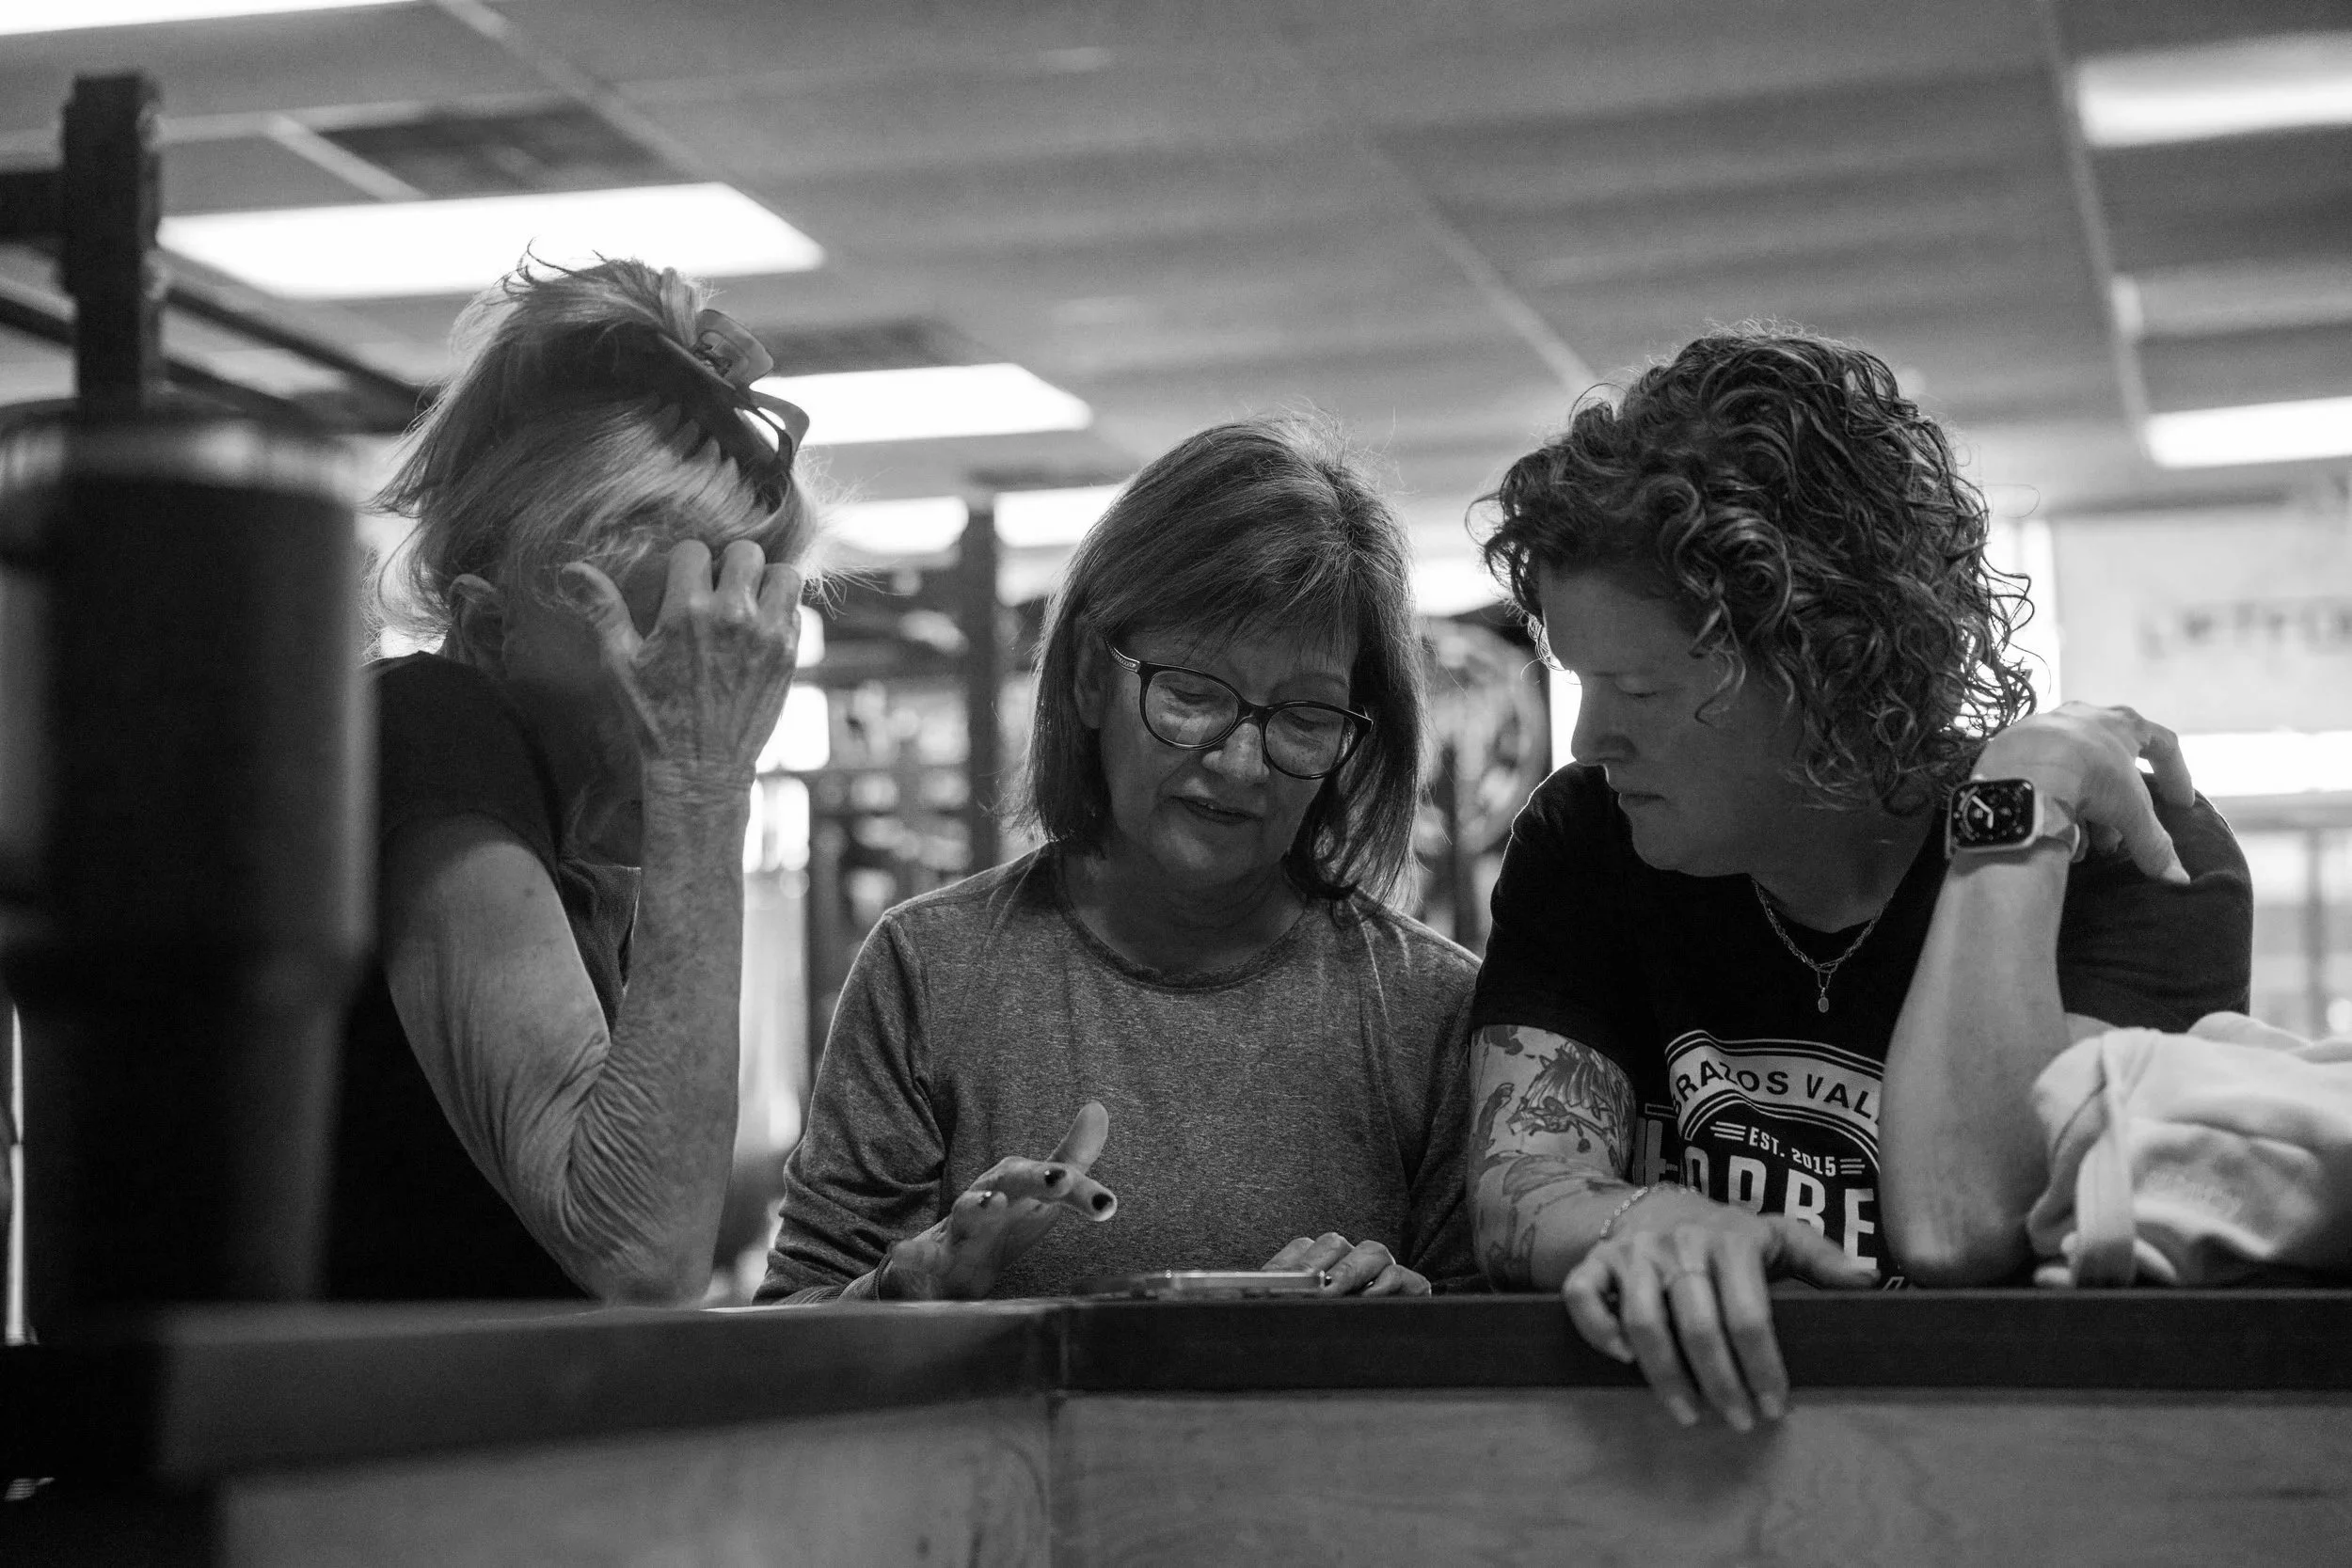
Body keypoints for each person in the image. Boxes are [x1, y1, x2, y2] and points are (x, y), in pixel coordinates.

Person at [1468, 328, 2251, 1429]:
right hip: (1695, 1477)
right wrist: (1638, 1219)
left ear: (1824, 664)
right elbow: (1512, 1191)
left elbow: (1963, 1224)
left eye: (1636, 692)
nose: (1591, 738)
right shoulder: (1589, 841)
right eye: (1577, 682)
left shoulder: (2142, 863)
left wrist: (2008, 811)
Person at [762, 418, 1475, 1302]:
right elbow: (789, 1336)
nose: (1240, 763)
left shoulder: (1429, 1010)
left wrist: (1413, 1326)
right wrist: (903, 1290)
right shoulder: (931, 971)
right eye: (1190, 694)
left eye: (1304, 718)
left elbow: (1502, 1364)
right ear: (1092, 680)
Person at [329, 258, 816, 1303]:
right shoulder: (431, 726)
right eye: (659, 635)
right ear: (491, 626)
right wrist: (699, 783)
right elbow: (639, 1252)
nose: (707, 679)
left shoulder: (586, 854)